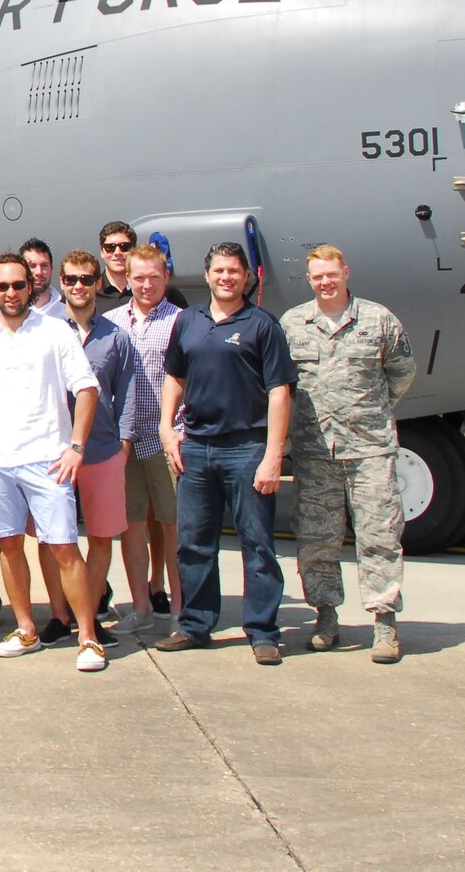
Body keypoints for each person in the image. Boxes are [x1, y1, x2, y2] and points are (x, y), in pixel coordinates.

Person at [0, 253, 103, 669]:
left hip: (48, 460)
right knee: (8, 546)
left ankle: (88, 638)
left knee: (63, 548)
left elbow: (86, 389)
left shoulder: (56, 332)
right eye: (2, 287)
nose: (11, 293)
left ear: (31, 287)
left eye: (18, 285)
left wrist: (76, 446)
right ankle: (26, 628)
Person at [155, 242, 298, 664]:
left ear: (245, 276)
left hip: (246, 447)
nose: (226, 277)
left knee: (258, 544)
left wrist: (274, 454)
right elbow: (174, 376)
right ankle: (196, 624)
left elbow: (279, 392)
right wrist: (167, 427)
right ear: (207, 275)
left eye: (234, 271)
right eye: (219, 270)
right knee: (194, 543)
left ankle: (263, 631)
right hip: (196, 447)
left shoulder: (262, 325)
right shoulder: (188, 321)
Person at [280, 244, 417, 664]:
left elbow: (401, 373)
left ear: (346, 273)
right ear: (309, 279)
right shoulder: (293, 325)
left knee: (379, 537)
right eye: (317, 276)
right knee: (317, 539)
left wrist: (370, 413)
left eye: (332, 274)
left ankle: (384, 623)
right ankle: (325, 617)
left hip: (369, 450)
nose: (325, 282)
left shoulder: (378, 320)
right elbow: (282, 385)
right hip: (314, 450)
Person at [102, 243, 185, 633]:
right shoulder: (113, 321)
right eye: (139, 278)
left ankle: (182, 610)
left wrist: (179, 431)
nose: (146, 284)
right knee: (131, 525)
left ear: (166, 277)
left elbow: (189, 380)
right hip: (126, 440)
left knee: (174, 527)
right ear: (127, 279)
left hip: (168, 438)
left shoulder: (182, 321)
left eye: (154, 277)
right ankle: (140, 607)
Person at [62, 248, 135, 663]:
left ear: (97, 283)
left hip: (104, 450)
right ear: (61, 284)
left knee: (102, 539)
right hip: (57, 452)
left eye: (86, 279)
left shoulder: (115, 336)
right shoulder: (49, 333)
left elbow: (125, 396)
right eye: (70, 279)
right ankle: (62, 615)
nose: (78, 286)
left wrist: (124, 445)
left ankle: (86, 617)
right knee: (59, 538)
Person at [94, 221, 189, 313]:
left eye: (124, 247)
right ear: (102, 252)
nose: (117, 252)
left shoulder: (164, 291)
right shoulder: (91, 293)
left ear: (134, 250)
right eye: (110, 248)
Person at [21, 237, 67, 324]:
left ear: (51, 269)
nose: (39, 272)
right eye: (32, 266)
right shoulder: (1, 316)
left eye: (44, 265)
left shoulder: (67, 315)